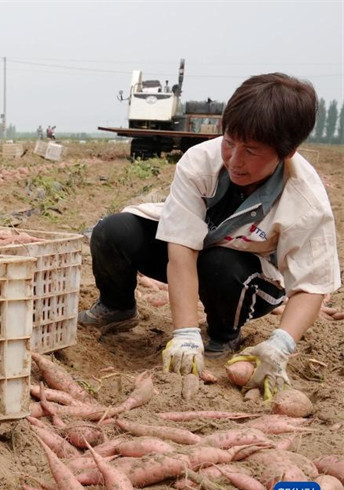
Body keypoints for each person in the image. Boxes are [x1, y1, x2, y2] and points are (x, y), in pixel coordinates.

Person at [78, 73, 340, 398]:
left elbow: (311, 286)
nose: (234, 160)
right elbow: (181, 247)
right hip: (196, 254)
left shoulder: (304, 198)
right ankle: (118, 307)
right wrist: (185, 332)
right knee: (114, 231)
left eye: (251, 151)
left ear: (287, 152)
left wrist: (282, 343)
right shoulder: (201, 160)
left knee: (220, 263)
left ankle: (223, 335)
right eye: (230, 142)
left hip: (250, 279)